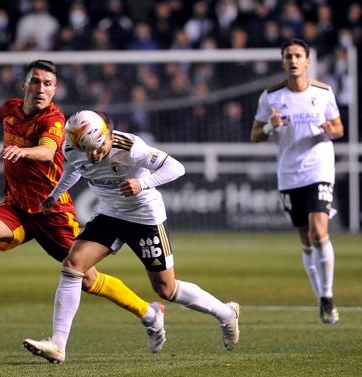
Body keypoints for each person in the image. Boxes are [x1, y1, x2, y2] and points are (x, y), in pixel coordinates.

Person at [0, 60, 161, 346]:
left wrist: (23, 150)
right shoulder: (12, 108)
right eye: (35, 81)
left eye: (47, 84)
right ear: (25, 85)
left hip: (51, 211)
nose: (41, 88)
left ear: (55, 91)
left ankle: (149, 313)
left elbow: (47, 151)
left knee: (88, 279)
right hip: (17, 207)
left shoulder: (54, 120)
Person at [23, 111, 240, 364]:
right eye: (87, 150)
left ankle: (226, 313)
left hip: (144, 217)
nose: (93, 155)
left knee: (166, 289)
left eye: (98, 147)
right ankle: (58, 344)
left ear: (109, 135)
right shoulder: (72, 147)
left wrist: (143, 184)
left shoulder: (131, 148)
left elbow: (176, 167)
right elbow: (74, 169)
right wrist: (54, 195)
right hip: (110, 214)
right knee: (73, 266)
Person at [250, 39, 344, 324]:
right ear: (283, 62)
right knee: (305, 240)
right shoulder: (271, 96)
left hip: (319, 170)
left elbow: (339, 128)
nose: (293, 60)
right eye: (288, 56)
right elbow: (255, 134)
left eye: (298, 56)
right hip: (289, 175)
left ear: (307, 61)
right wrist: (270, 126)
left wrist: (330, 130)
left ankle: (327, 296)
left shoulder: (324, 92)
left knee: (319, 231)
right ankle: (321, 299)